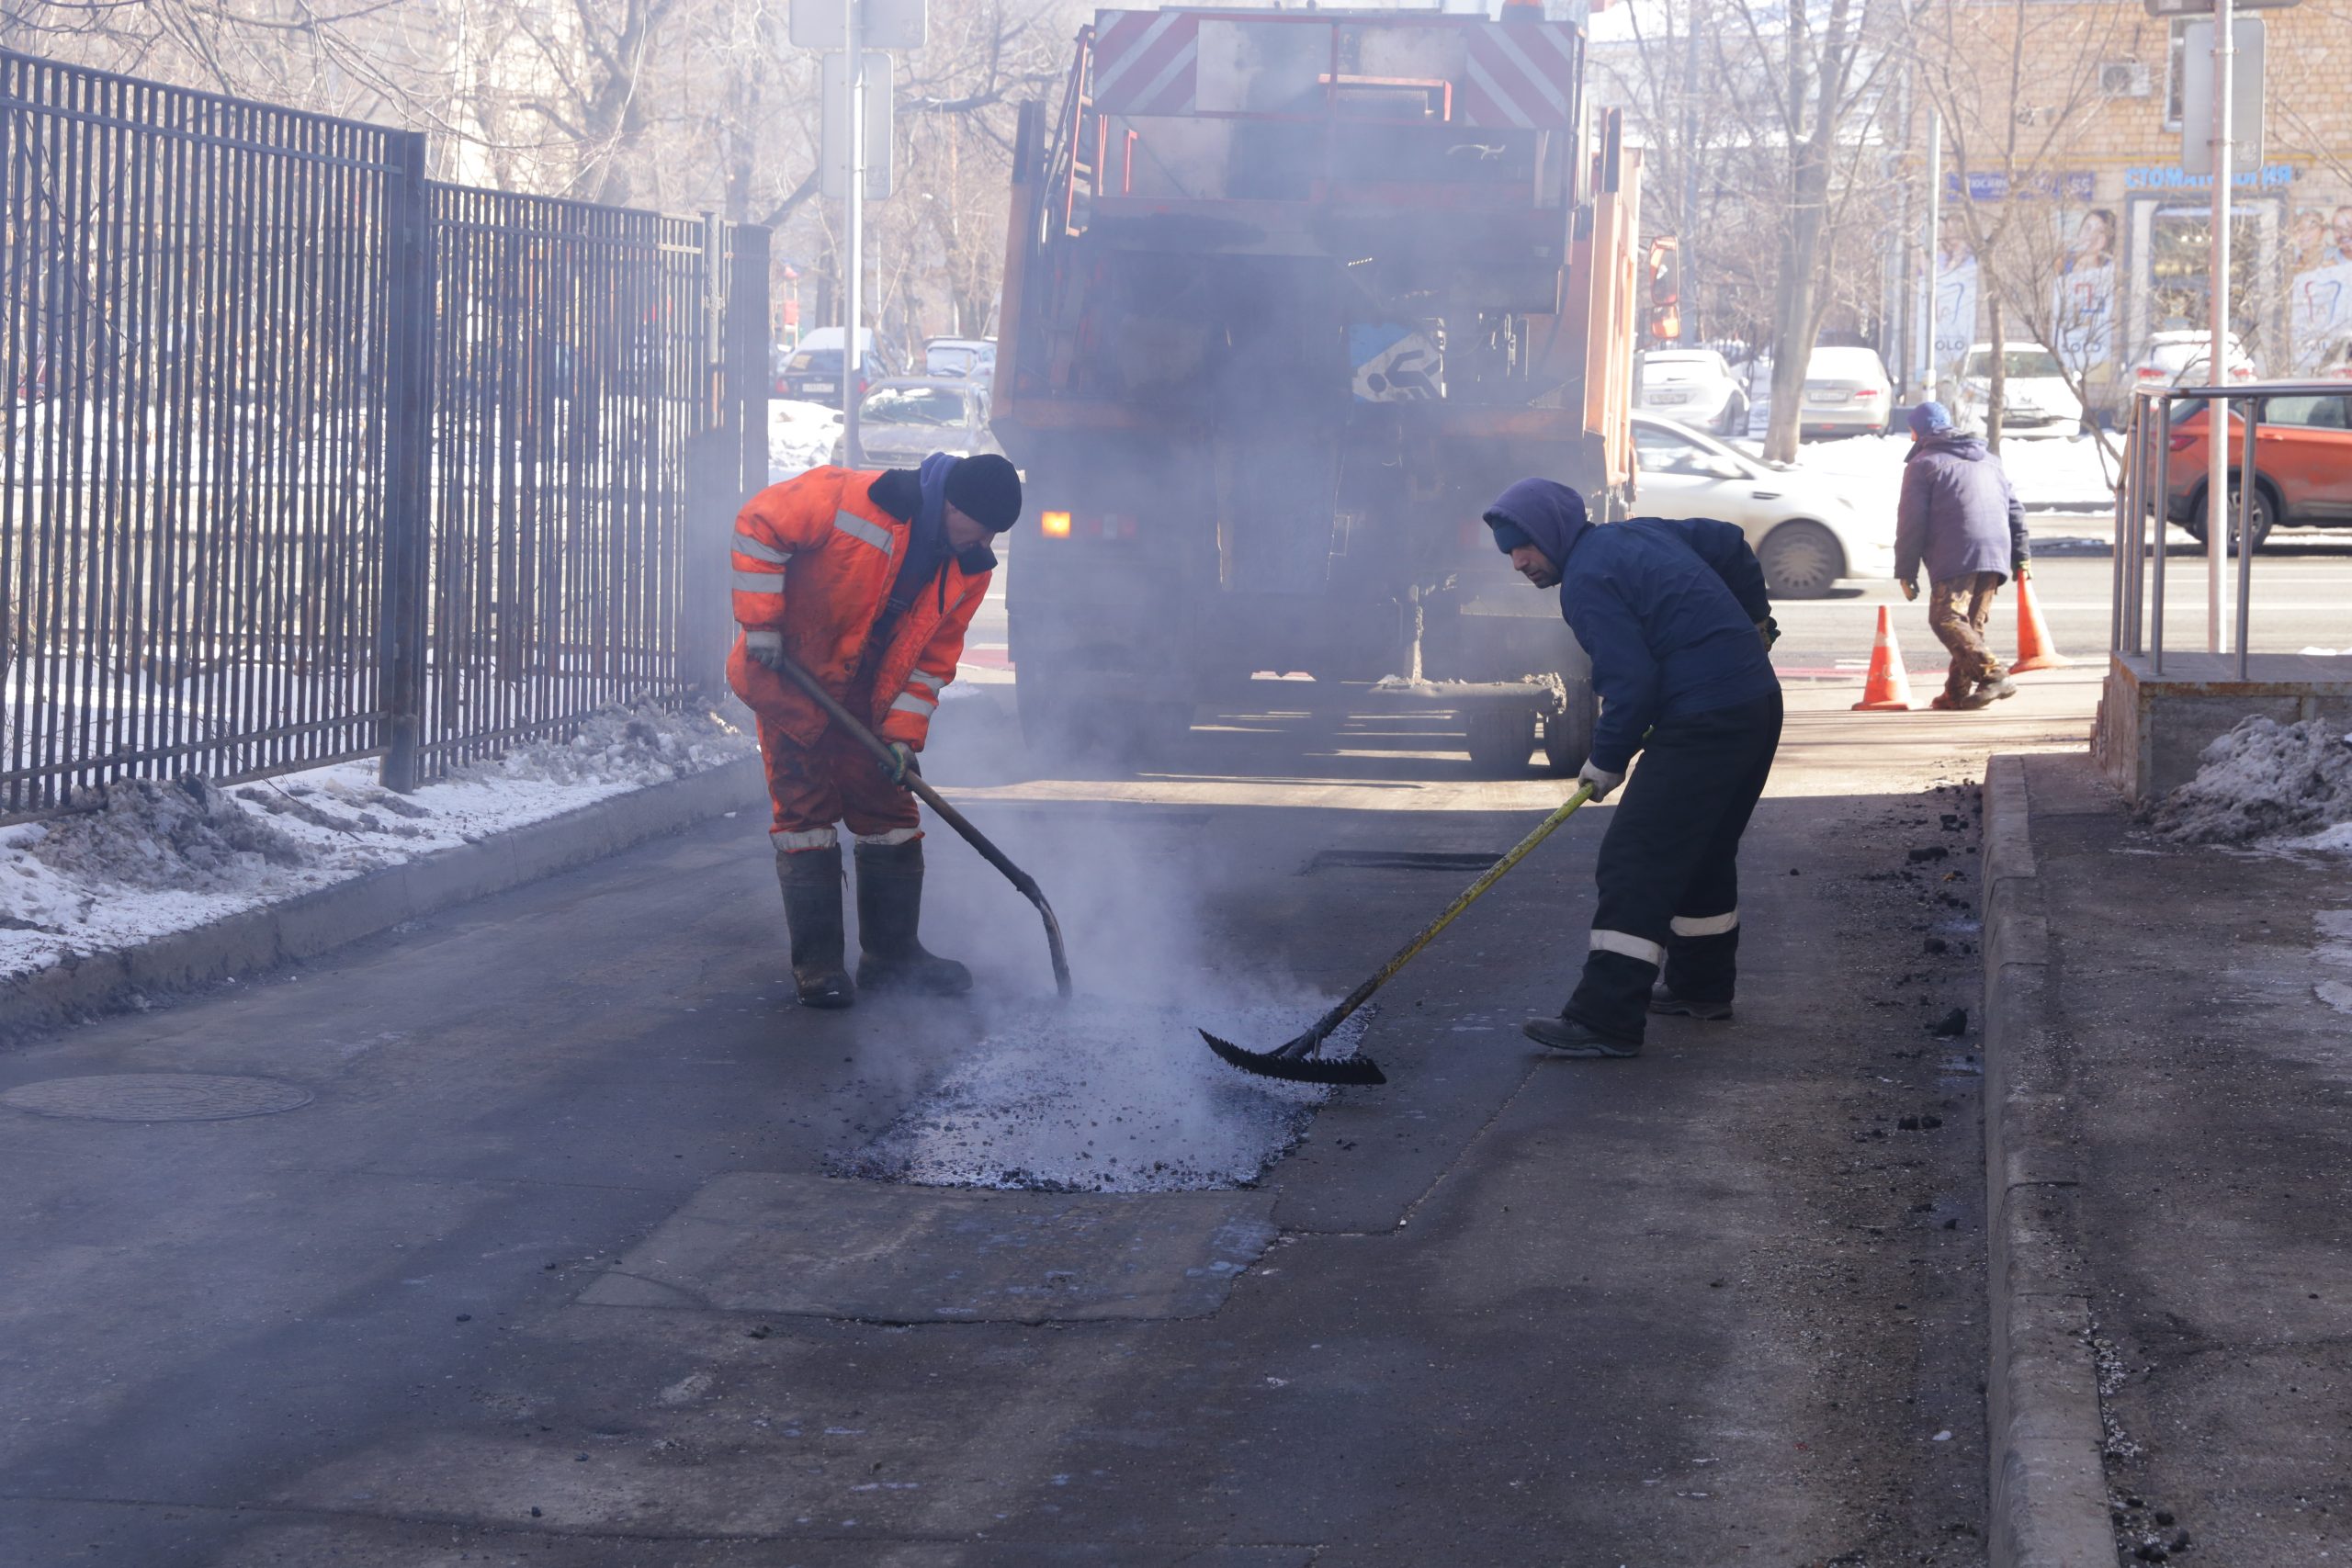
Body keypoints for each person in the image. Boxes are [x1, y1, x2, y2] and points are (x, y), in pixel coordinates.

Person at [1482, 480, 1784, 1059]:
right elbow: (1729, 543)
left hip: (1705, 721)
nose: (1519, 562)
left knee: (1635, 859)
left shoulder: (1587, 583)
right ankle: (1701, 988)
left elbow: (1630, 681)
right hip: (1755, 705)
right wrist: (1755, 624)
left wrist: (1606, 758)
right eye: (1508, 553)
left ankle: (1605, 1018)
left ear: (1551, 534)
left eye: (1524, 547)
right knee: (1704, 849)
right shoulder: (1640, 531)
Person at [728, 450, 1023, 1009]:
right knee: (805, 812)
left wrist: (902, 736)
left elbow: (931, 662)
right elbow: (758, 523)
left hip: (869, 697)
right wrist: (760, 623)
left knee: (890, 814)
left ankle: (891, 956)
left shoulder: (968, 568)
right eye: (982, 529)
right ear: (954, 506)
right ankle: (817, 967)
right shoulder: (853, 497)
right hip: (794, 677)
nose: (985, 544)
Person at [1895, 400, 2029, 710]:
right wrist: (2021, 556)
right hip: (1995, 551)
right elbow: (2015, 511)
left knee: (1946, 618)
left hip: (1957, 550)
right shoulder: (1990, 460)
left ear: (1917, 431)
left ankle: (1995, 674)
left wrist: (1906, 571)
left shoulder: (1923, 464)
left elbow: (1911, 522)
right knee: (1970, 625)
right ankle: (1956, 692)